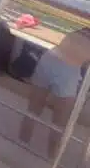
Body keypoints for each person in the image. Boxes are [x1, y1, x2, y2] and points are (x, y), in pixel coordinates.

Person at [20, 27, 90, 157]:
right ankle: (51, 159)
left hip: (50, 59)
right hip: (68, 70)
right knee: (59, 122)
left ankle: (21, 147)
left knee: (33, 111)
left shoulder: (79, 26)